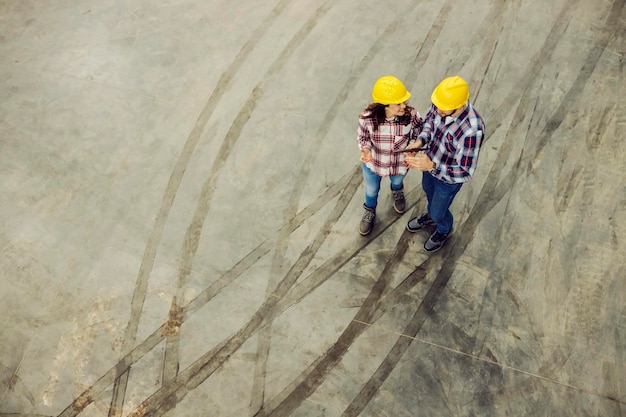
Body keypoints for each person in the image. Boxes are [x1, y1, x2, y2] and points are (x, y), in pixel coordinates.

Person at [404, 76, 485, 252]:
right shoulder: (442, 104)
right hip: (429, 167)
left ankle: (443, 228)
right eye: (437, 106)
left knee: (439, 210)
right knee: (428, 192)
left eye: (443, 109)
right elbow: (429, 125)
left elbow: (465, 171)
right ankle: (432, 215)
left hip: (447, 181)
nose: (438, 110)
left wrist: (432, 166)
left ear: (460, 105)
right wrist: (419, 143)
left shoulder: (472, 130)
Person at [357, 75, 423, 236]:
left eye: (404, 102)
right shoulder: (367, 118)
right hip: (374, 164)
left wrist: (414, 146)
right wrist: (365, 150)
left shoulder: (411, 115)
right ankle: (370, 210)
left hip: (399, 164)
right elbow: (363, 137)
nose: (403, 106)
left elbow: (419, 130)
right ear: (384, 105)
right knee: (372, 190)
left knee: (397, 181)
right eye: (398, 103)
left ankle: (397, 191)